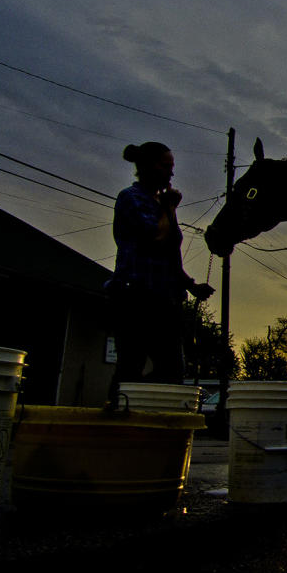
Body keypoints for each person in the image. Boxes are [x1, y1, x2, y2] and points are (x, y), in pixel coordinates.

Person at [106, 142, 214, 405]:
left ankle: (145, 408)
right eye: (165, 166)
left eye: (172, 167)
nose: (170, 173)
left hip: (164, 296)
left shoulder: (160, 203)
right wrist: (170, 208)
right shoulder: (131, 198)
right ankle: (118, 413)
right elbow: (154, 236)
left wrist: (190, 285)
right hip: (136, 294)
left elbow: (170, 255)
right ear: (146, 167)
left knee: (172, 368)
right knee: (131, 362)